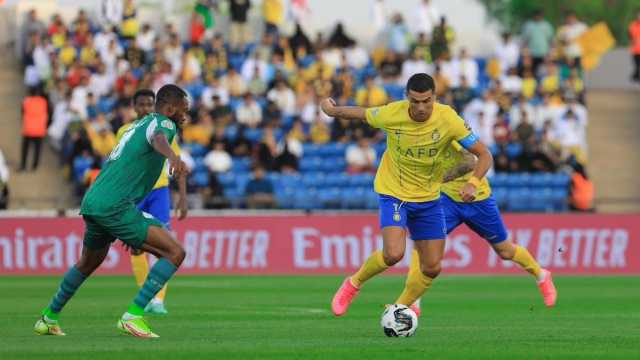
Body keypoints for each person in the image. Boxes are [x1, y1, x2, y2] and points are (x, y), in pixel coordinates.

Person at [320, 73, 493, 317]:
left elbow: (484, 154)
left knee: (432, 267)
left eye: (427, 101)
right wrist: (332, 111)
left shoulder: (449, 119)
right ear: (407, 98)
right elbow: (362, 113)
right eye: (415, 101)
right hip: (395, 193)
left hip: (429, 198)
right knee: (393, 254)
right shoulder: (393, 113)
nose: (421, 107)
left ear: (435, 97)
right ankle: (353, 284)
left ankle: (400, 308)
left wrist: (474, 183)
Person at [34, 84, 190, 338]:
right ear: (171, 108)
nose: (185, 115)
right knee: (175, 252)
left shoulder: (138, 125)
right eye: (183, 110)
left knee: (88, 263)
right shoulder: (164, 123)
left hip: (95, 201)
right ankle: (133, 315)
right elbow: (159, 139)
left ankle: (48, 318)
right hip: (115, 205)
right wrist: (173, 157)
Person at [398, 141, 557, 316]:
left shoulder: (449, 129)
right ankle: (414, 298)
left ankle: (541, 275)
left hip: (477, 198)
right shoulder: (420, 134)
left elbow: (470, 162)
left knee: (505, 251)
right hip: (448, 199)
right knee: (422, 243)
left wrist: (439, 177)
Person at [115, 89, 186, 315]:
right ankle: (145, 297)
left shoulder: (164, 127)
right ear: (134, 107)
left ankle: (158, 300)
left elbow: (178, 164)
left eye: (149, 104)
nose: (145, 108)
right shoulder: (125, 131)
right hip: (135, 194)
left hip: (158, 192)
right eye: (141, 104)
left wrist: (183, 198)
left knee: (163, 246)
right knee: (136, 248)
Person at [20, 87, 48, 171]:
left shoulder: (26, 101)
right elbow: (48, 113)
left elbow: (22, 112)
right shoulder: (44, 102)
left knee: (25, 149)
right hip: (40, 130)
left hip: (28, 129)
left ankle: (23, 166)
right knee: (37, 149)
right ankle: (34, 166)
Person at [629, 11, 640, 82]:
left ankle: (635, 75)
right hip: (636, 51)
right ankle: (635, 75)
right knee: (638, 68)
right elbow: (631, 37)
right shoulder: (632, 26)